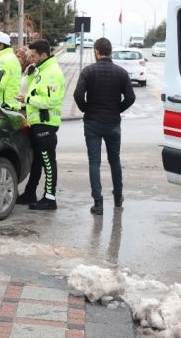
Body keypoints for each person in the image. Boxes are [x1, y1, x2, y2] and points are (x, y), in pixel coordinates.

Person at [73, 37, 136, 215]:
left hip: (92, 122)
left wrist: (86, 109)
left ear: (97, 51)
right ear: (110, 51)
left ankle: (98, 203)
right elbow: (131, 98)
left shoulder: (88, 71)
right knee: (115, 160)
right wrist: (117, 109)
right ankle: (118, 197)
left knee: (94, 162)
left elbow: (78, 94)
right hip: (113, 123)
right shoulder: (121, 73)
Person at [16, 39, 65, 210]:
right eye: (30, 56)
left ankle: (50, 198)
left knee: (48, 162)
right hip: (36, 123)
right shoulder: (40, 71)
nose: (31, 59)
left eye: (34, 56)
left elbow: (52, 100)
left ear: (44, 55)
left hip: (46, 124)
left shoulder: (52, 72)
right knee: (37, 161)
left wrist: (28, 99)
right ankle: (30, 193)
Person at [0, 31, 22, 110]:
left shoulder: (4, 60)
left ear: (1, 45)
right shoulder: (12, 58)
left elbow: (0, 84)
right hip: (11, 104)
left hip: (3, 106)